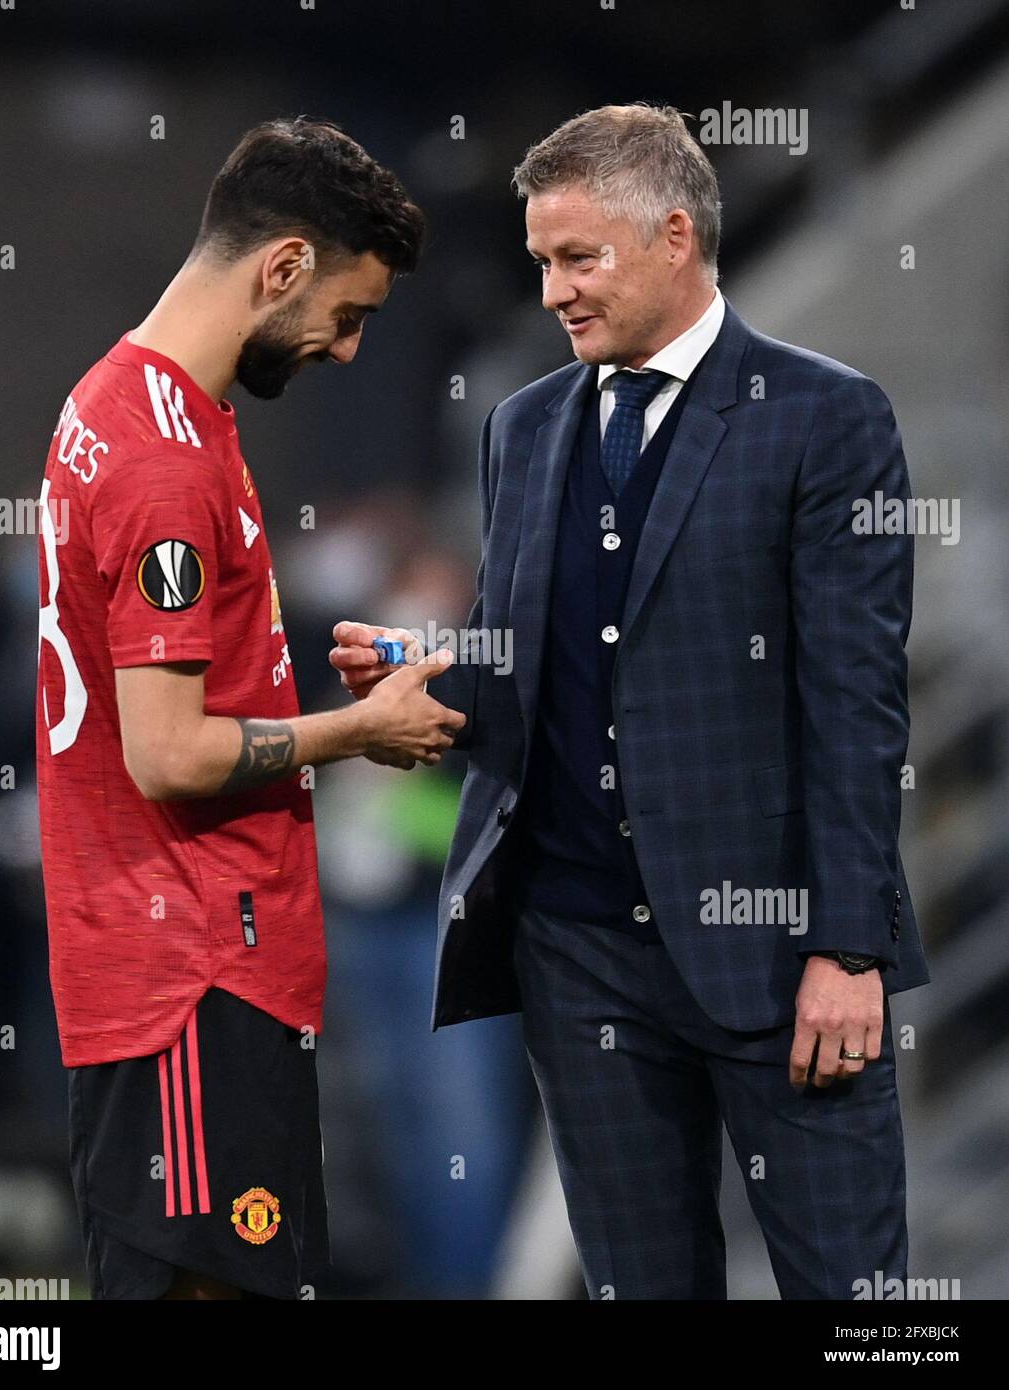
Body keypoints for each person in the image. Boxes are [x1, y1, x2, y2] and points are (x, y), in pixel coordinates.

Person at [330, 102, 930, 1300]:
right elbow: (538, 672)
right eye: (540, 260)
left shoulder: (824, 415)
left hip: (775, 959)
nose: (551, 290)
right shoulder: (526, 425)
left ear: (673, 237)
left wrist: (847, 949)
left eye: (576, 257)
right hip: (577, 956)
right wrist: (430, 666)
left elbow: (855, 704)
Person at [35, 117, 464, 1300]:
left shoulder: (121, 402)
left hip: (184, 965)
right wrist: (358, 733)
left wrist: (307, 685)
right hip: (185, 975)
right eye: (350, 311)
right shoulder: (164, 464)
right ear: (280, 268)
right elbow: (166, 752)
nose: (345, 349)